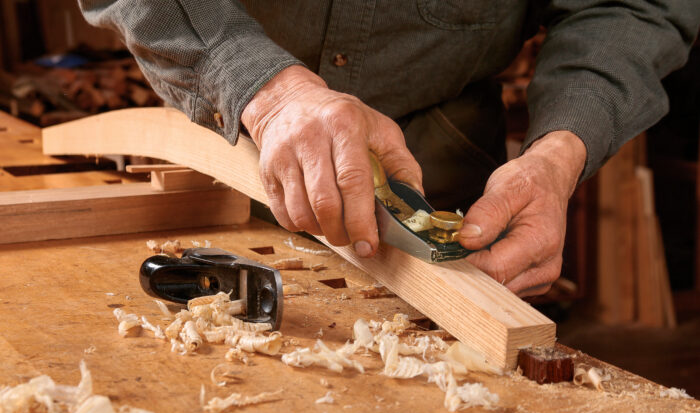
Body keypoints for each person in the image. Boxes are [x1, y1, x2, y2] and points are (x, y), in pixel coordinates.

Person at [79, 1, 700, 297]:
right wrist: (270, 96)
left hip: (444, 169)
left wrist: (559, 155)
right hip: (222, 138)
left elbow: (629, 7)